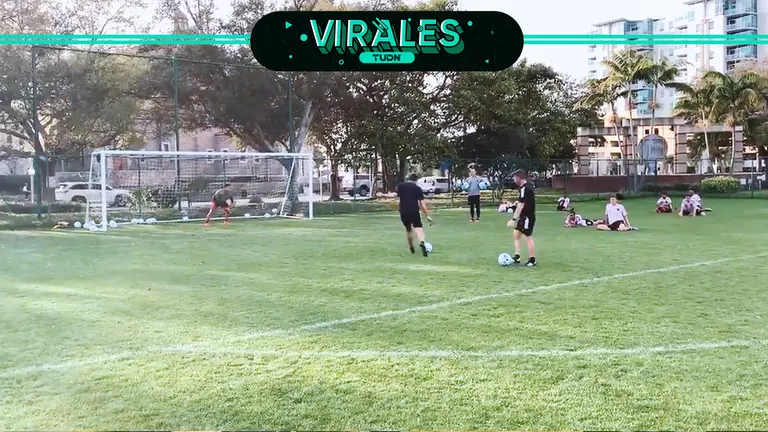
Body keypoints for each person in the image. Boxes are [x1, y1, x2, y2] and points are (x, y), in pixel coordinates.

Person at [397, 173, 433, 256]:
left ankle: (411, 247)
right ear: (416, 180)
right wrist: (427, 215)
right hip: (414, 211)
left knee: (408, 229)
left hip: (403, 211)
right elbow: (422, 204)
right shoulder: (417, 188)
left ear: (408, 179)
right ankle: (422, 242)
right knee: (418, 228)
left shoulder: (401, 186)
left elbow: (396, 196)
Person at [506, 169, 536, 266]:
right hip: (523, 216)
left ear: (519, 178)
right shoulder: (524, 187)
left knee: (527, 237)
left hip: (527, 217)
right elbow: (522, 202)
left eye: (515, 178)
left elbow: (521, 206)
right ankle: (517, 257)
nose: (514, 180)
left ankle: (532, 260)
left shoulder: (525, 188)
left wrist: (513, 219)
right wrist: (516, 203)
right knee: (516, 235)